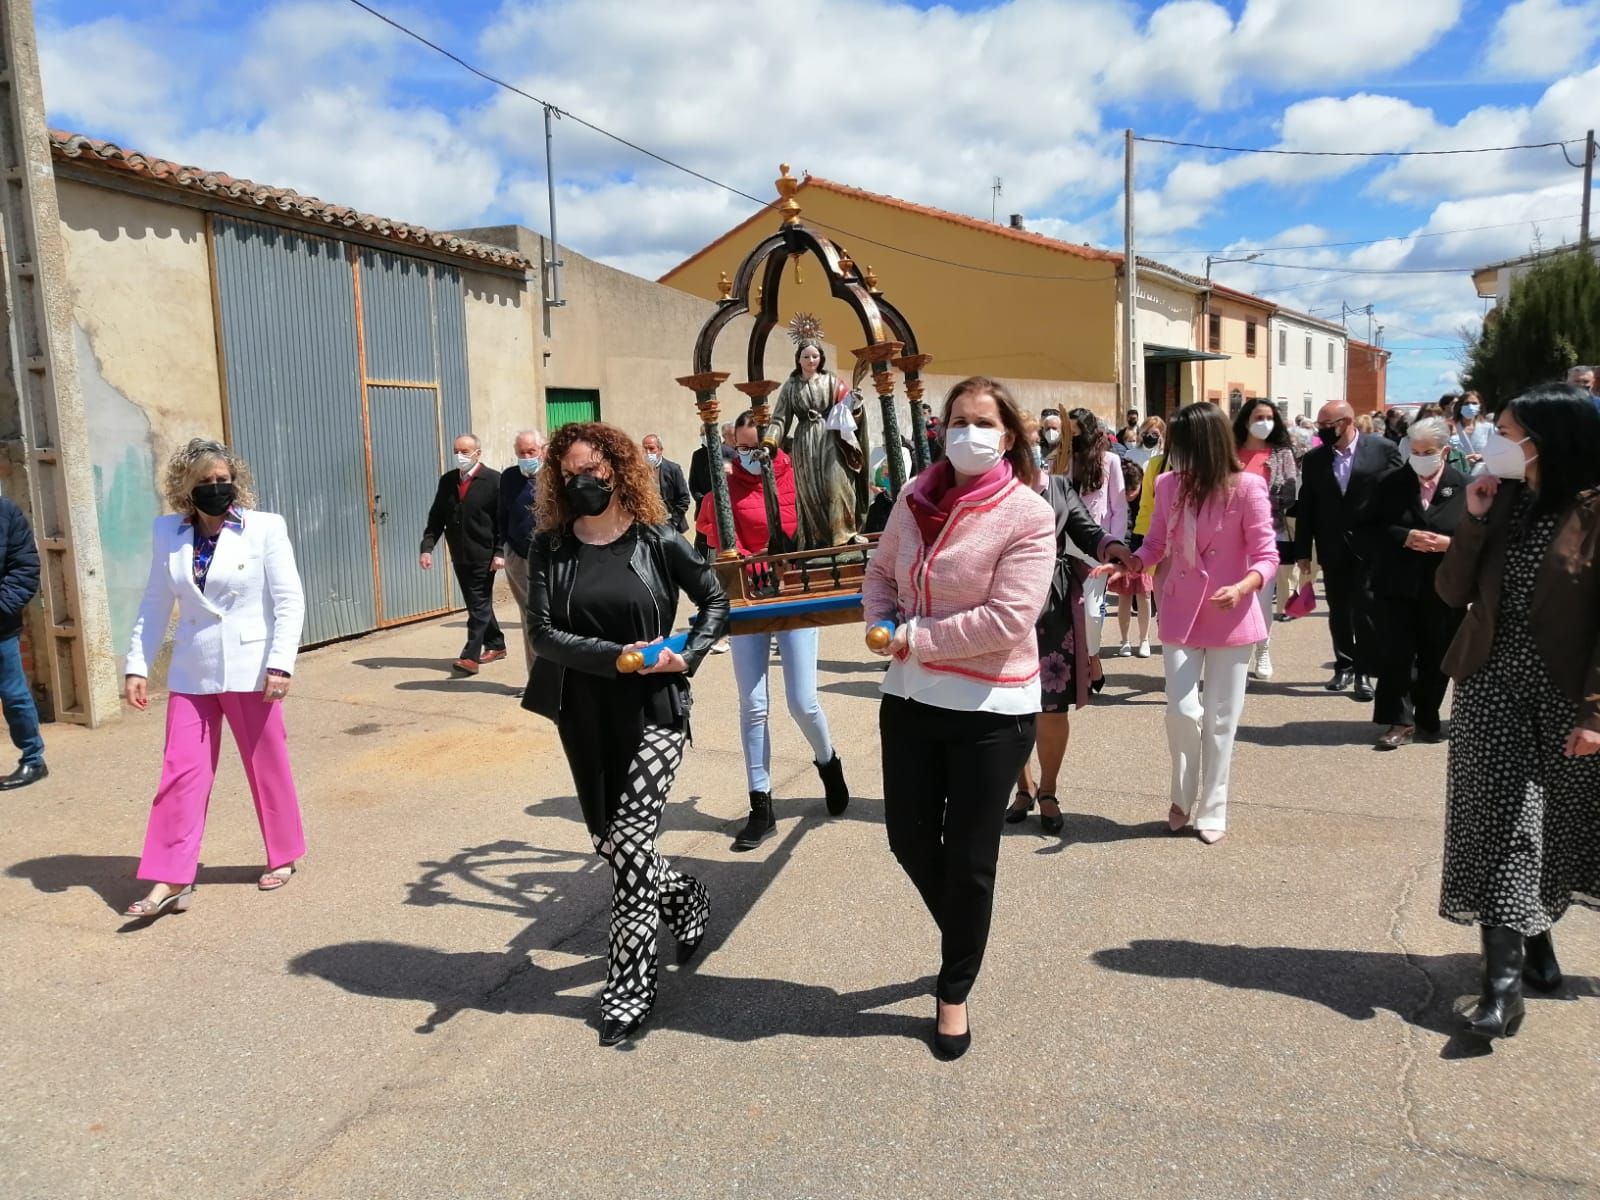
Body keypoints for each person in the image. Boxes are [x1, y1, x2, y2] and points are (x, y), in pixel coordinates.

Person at [863, 376, 1055, 1060]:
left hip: (989, 710)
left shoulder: (1027, 513)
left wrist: (912, 637)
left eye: (983, 421)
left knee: (970, 862)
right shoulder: (915, 496)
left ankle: (953, 991)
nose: (968, 432)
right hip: (911, 699)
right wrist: (880, 619)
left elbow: (1009, 618)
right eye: (957, 420)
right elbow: (881, 571)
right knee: (909, 841)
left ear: (1007, 435)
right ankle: (966, 938)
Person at [522, 421, 729, 1047]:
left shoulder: (658, 540)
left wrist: (686, 656)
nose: (582, 482)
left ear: (618, 470)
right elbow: (543, 635)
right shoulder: (549, 549)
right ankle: (686, 892)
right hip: (583, 712)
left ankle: (629, 986)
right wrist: (615, 655)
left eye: (594, 471)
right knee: (612, 843)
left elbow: (714, 602)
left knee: (631, 843)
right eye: (570, 475)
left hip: (656, 708)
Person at [1434, 384, 1600, 1039]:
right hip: (1489, 685)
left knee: (1553, 828)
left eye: (1505, 431)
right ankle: (1501, 991)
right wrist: (1472, 519)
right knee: (1502, 825)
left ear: (1547, 439)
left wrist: (1594, 712)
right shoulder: (1500, 500)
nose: (1491, 442)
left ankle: (1537, 943)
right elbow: (1451, 591)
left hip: (1564, 694)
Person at [122, 438, 307, 918]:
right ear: (186, 488)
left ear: (236, 482)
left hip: (253, 669)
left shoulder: (264, 528)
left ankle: (284, 853)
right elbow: (155, 602)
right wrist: (137, 665)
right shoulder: (169, 533)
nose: (216, 488)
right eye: (205, 482)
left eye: (223, 480)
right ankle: (172, 876)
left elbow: (289, 600)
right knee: (179, 773)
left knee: (267, 765)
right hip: (193, 670)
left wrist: (281, 663)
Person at [1116, 403, 1278, 845]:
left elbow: (1267, 555)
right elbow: (1154, 543)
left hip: (1231, 615)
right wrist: (1131, 565)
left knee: (1223, 718)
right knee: (1182, 711)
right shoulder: (1169, 485)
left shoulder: (1248, 487)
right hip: (1180, 611)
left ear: (1204, 444)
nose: (1173, 453)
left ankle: (1213, 807)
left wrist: (1246, 586)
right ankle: (1181, 794)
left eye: (1181, 445)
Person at [698, 411, 850, 851]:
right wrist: (746, 558)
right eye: (740, 449)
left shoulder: (797, 481)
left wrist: (783, 556)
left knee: (802, 701)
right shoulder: (723, 491)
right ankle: (760, 803)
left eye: (756, 449)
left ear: (774, 447)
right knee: (753, 703)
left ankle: (828, 761)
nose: (747, 457)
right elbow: (718, 543)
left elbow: (815, 534)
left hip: (793, 595)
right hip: (747, 598)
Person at [1008, 452, 1130, 834]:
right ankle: (1022, 788)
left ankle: (1048, 790)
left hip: (1052, 607)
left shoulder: (1057, 486)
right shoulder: (986, 487)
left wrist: (1112, 546)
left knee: (1051, 706)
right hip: (1001, 605)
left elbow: (1086, 529)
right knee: (1007, 706)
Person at [1293, 400, 1403, 701]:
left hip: (1372, 546)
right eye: (1320, 426)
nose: (1322, 431)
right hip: (1332, 546)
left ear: (1347, 422)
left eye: (1327, 426)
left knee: (1366, 608)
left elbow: (1398, 496)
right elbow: (1307, 507)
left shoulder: (1382, 450)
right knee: (1339, 609)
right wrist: (1303, 550)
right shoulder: (1315, 459)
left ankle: (1364, 671)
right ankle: (1344, 665)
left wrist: (1397, 539)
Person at [1368, 417, 1466, 750]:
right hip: (1397, 582)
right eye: (1416, 450)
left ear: (1445, 451)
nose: (1421, 456)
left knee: (1436, 654)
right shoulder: (1390, 483)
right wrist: (1404, 536)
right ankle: (1399, 720)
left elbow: (1480, 538)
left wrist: (1448, 544)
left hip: (1443, 586)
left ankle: (1427, 714)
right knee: (1397, 652)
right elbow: (1368, 528)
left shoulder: (1465, 486)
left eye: (1429, 451)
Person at [765, 341, 867, 549]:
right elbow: (779, 419)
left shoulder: (831, 381)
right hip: (804, 443)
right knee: (811, 492)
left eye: (815, 356)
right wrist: (769, 442)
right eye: (806, 357)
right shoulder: (791, 386)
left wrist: (855, 405)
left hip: (831, 437)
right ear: (798, 359)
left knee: (838, 484)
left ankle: (846, 533)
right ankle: (818, 540)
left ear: (821, 358)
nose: (811, 360)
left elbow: (847, 410)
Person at [421, 434, 505, 675]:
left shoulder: (493, 481)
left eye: (465, 451)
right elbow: (437, 517)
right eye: (456, 450)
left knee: (478, 604)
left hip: (485, 555)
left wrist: (500, 552)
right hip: (459, 554)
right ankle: (496, 644)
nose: (460, 455)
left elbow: (502, 521)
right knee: (476, 603)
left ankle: (470, 657)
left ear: (478, 453)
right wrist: (427, 547)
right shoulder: (448, 481)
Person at [1233, 400, 1297, 681]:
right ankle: (1236, 652)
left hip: (1266, 533)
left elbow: (1289, 494)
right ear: (1246, 420)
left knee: (1260, 598)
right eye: (1259, 417)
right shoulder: (1229, 451)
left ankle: (1263, 649)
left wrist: (1253, 506)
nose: (1265, 422)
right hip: (1229, 536)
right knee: (1234, 595)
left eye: (1270, 417)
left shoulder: (1282, 454)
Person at [1063, 409, 1127, 686]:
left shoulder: (1109, 460)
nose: (1072, 436)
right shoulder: (1060, 459)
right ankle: (1077, 667)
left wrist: (1115, 545)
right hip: (1063, 546)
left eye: (1076, 430)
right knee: (1066, 611)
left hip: (1096, 547)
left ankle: (1094, 659)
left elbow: (1119, 506)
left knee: (1091, 611)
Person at [0, 496, 45, 789]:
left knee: (14, 694)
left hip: (0, 627)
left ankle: (33, 759)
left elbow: (25, 568)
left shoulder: (7, 513)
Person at [493, 429, 545, 678]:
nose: (526, 457)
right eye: (521, 453)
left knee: (550, 617)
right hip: (517, 555)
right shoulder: (510, 477)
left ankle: (560, 679)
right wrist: (503, 548)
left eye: (531, 452)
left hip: (549, 558)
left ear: (542, 451)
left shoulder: (555, 477)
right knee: (528, 616)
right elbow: (502, 515)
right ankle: (536, 679)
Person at [688, 423, 736, 557]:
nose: (705, 437)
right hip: (706, 505)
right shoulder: (698, 455)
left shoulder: (728, 452)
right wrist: (704, 500)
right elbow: (693, 483)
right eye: (702, 434)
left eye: (707, 434)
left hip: (727, 502)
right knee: (703, 546)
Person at [642, 433, 691, 535]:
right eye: (645, 449)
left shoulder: (673, 469)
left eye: (651, 449)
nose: (648, 452)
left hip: (670, 523)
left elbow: (684, 498)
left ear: (660, 450)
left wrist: (673, 522)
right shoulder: (639, 472)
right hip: (648, 525)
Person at [1450, 393, 1491, 465]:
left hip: (1482, 472)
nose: (1470, 406)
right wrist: (1462, 460)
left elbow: (1497, 451)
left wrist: (1482, 456)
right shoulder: (1450, 428)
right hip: (1458, 472)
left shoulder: (1489, 428)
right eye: (1466, 403)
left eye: (1474, 403)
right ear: (1460, 406)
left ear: (1480, 406)